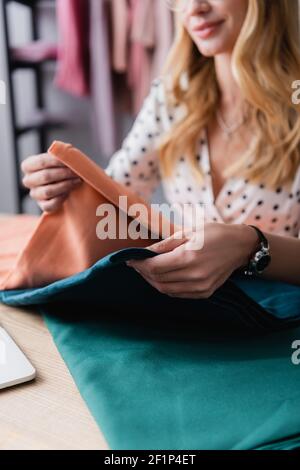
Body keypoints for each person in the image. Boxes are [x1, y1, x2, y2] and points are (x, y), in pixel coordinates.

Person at [21, 0, 300, 301]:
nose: (194, 8)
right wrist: (65, 188)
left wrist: (250, 245)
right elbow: (113, 204)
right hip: (187, 317)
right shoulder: (171, 98)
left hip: (281, 320)